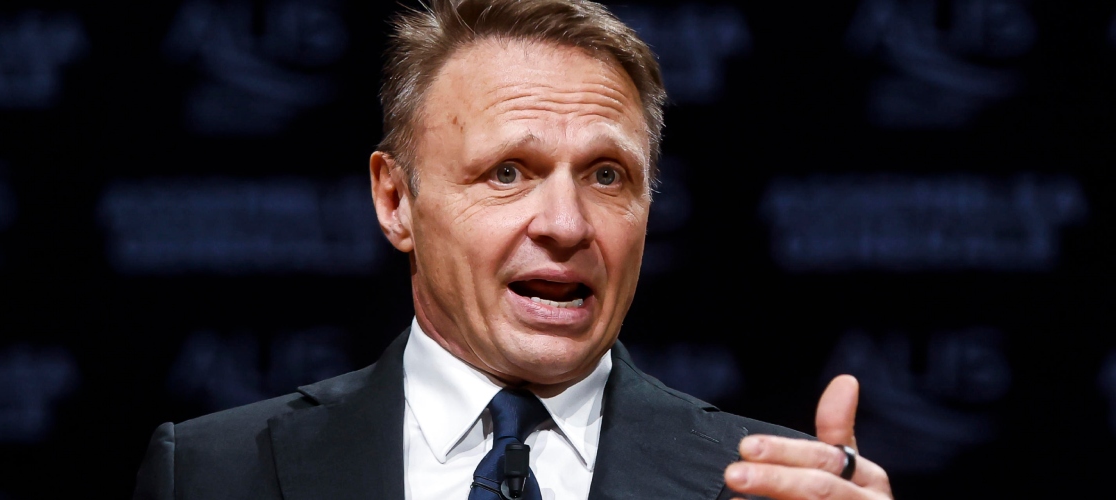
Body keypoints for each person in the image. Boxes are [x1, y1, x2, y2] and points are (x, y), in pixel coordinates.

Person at [133, 1, 894, 499]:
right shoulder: (209, 474)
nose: (565, 223)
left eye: (606, 175)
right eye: (508, 172)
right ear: (396, 201)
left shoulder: (765, 485)